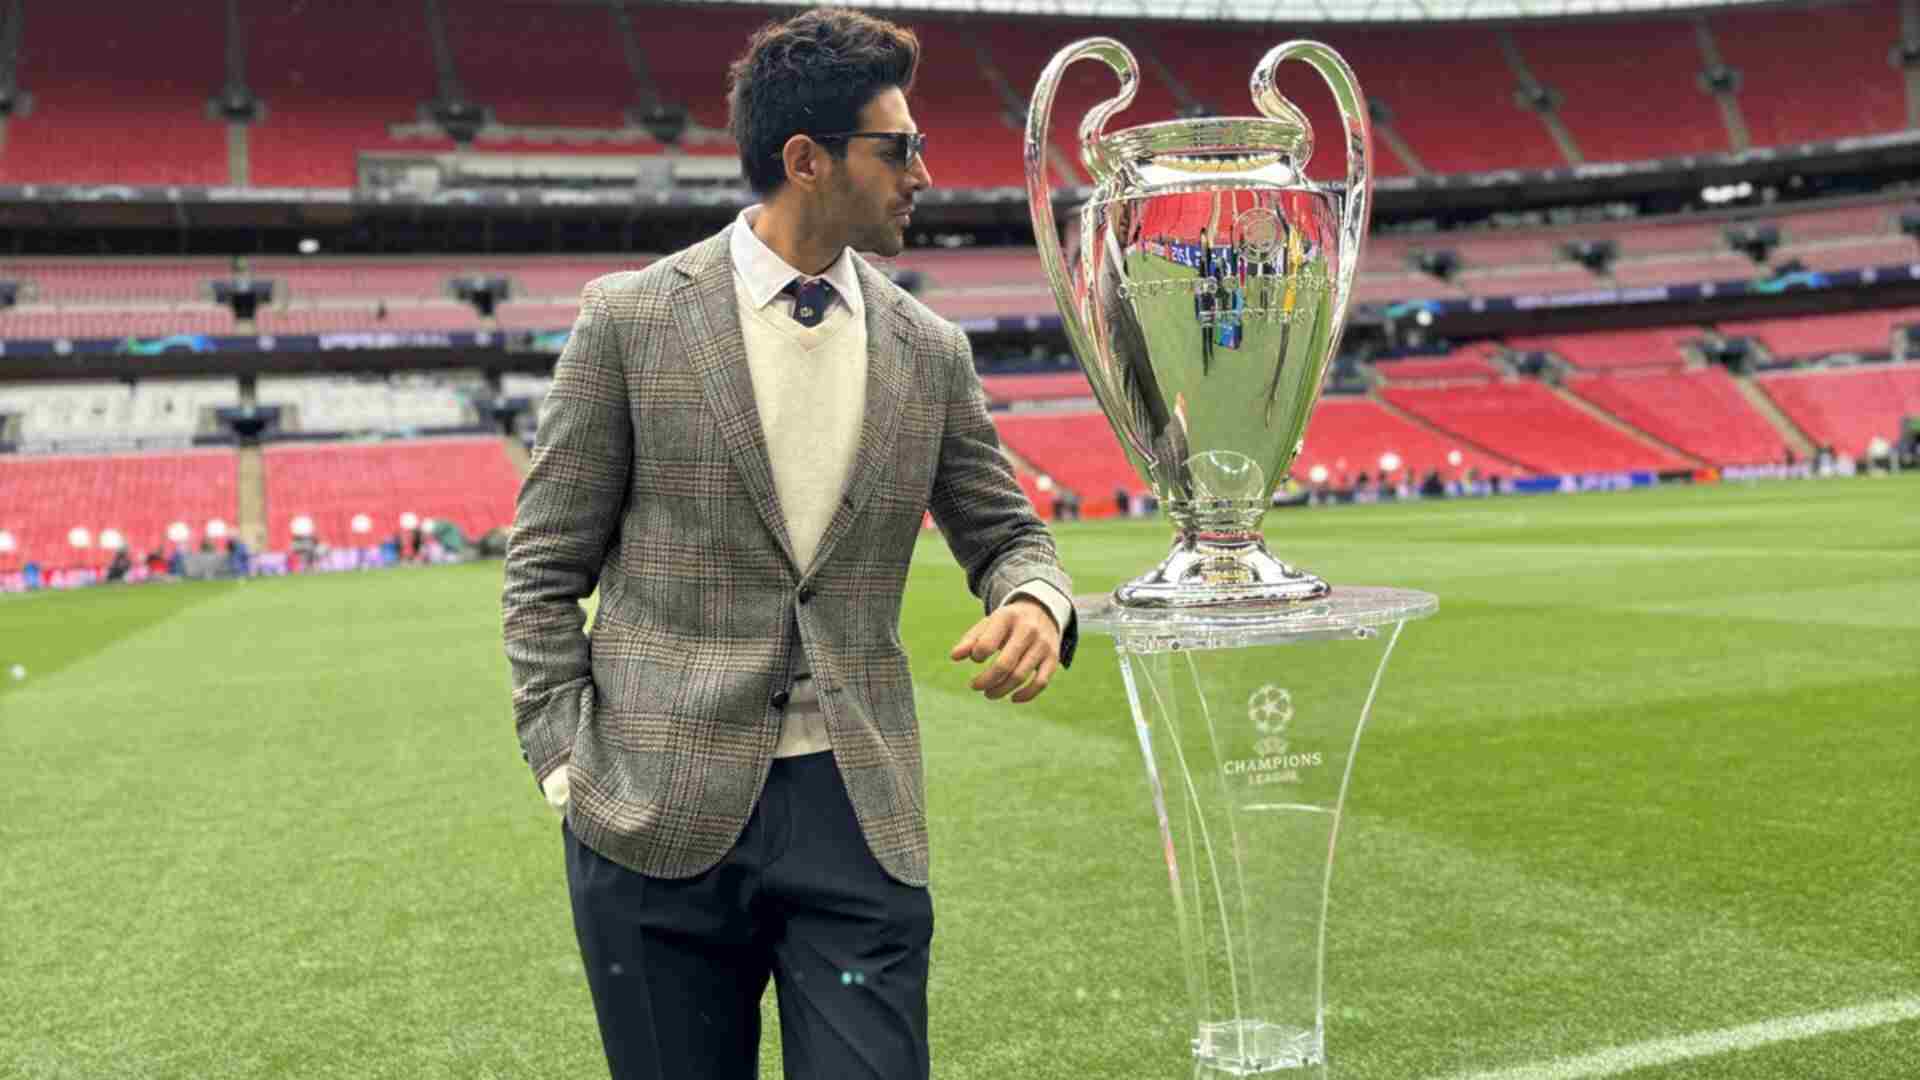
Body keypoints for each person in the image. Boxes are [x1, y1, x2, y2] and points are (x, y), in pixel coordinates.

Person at [500, 10, 1077, 1080]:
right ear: (806, 161)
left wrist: (1038, 599)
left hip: (856, 815)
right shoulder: (628, 322)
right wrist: (564, 767)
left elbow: (1006, 531)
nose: (924, 172)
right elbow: (542, 571)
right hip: (650, 813)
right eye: (897, 147)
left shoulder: (929, 349)